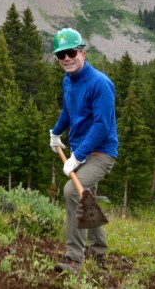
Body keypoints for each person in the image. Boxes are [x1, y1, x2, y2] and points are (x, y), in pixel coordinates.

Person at [48, 27, 118, 273]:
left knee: (72, 192)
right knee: (85, 197)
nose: (66, 58)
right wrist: (56, 132)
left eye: (71, 52)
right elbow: (68, 111)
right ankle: (98, 254)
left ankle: (73, 258)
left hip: (101, 153)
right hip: (82, 150)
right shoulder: (68, 81)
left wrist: (77, 156)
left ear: (82, 53)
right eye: (60, 55)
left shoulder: (100, 84)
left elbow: (102, 125)